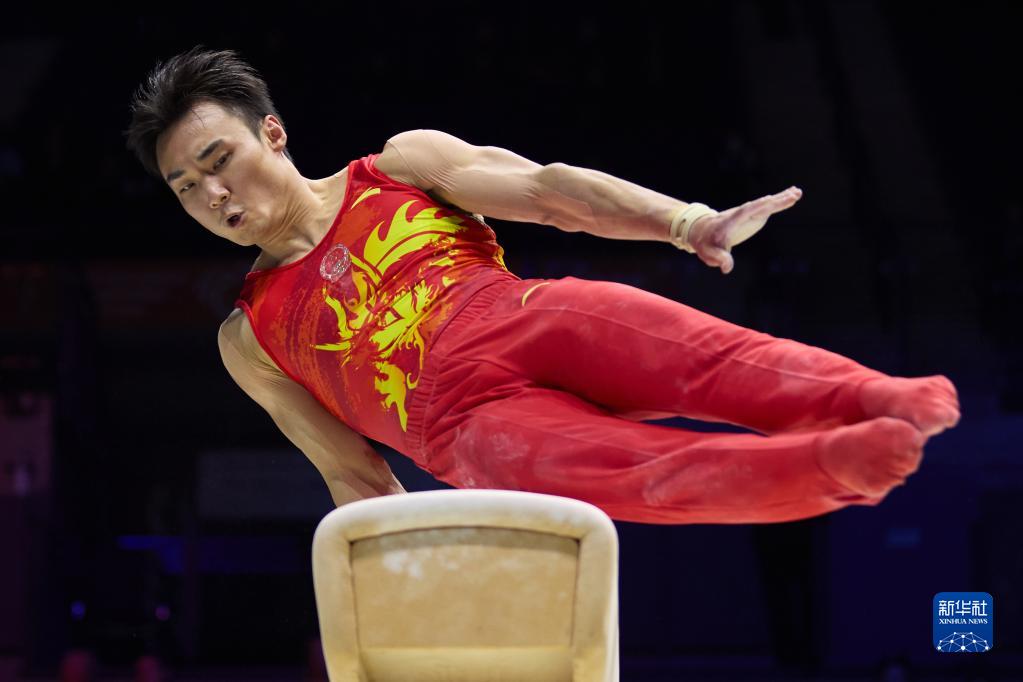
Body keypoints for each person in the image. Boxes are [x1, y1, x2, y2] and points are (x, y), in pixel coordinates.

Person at [124, 46, 960, 524]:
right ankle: (840, 465)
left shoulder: (399, 166)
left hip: (524, 317)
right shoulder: (250, 339)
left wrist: (684, 222)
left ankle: (876, 396)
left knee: (716, 362)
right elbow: (354, 476)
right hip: (470, 431)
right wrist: (390, 575)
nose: (213, 196)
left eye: (218, 161)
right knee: (653, 475)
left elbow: (551, 193)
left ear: (272, 133)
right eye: (186, 188)